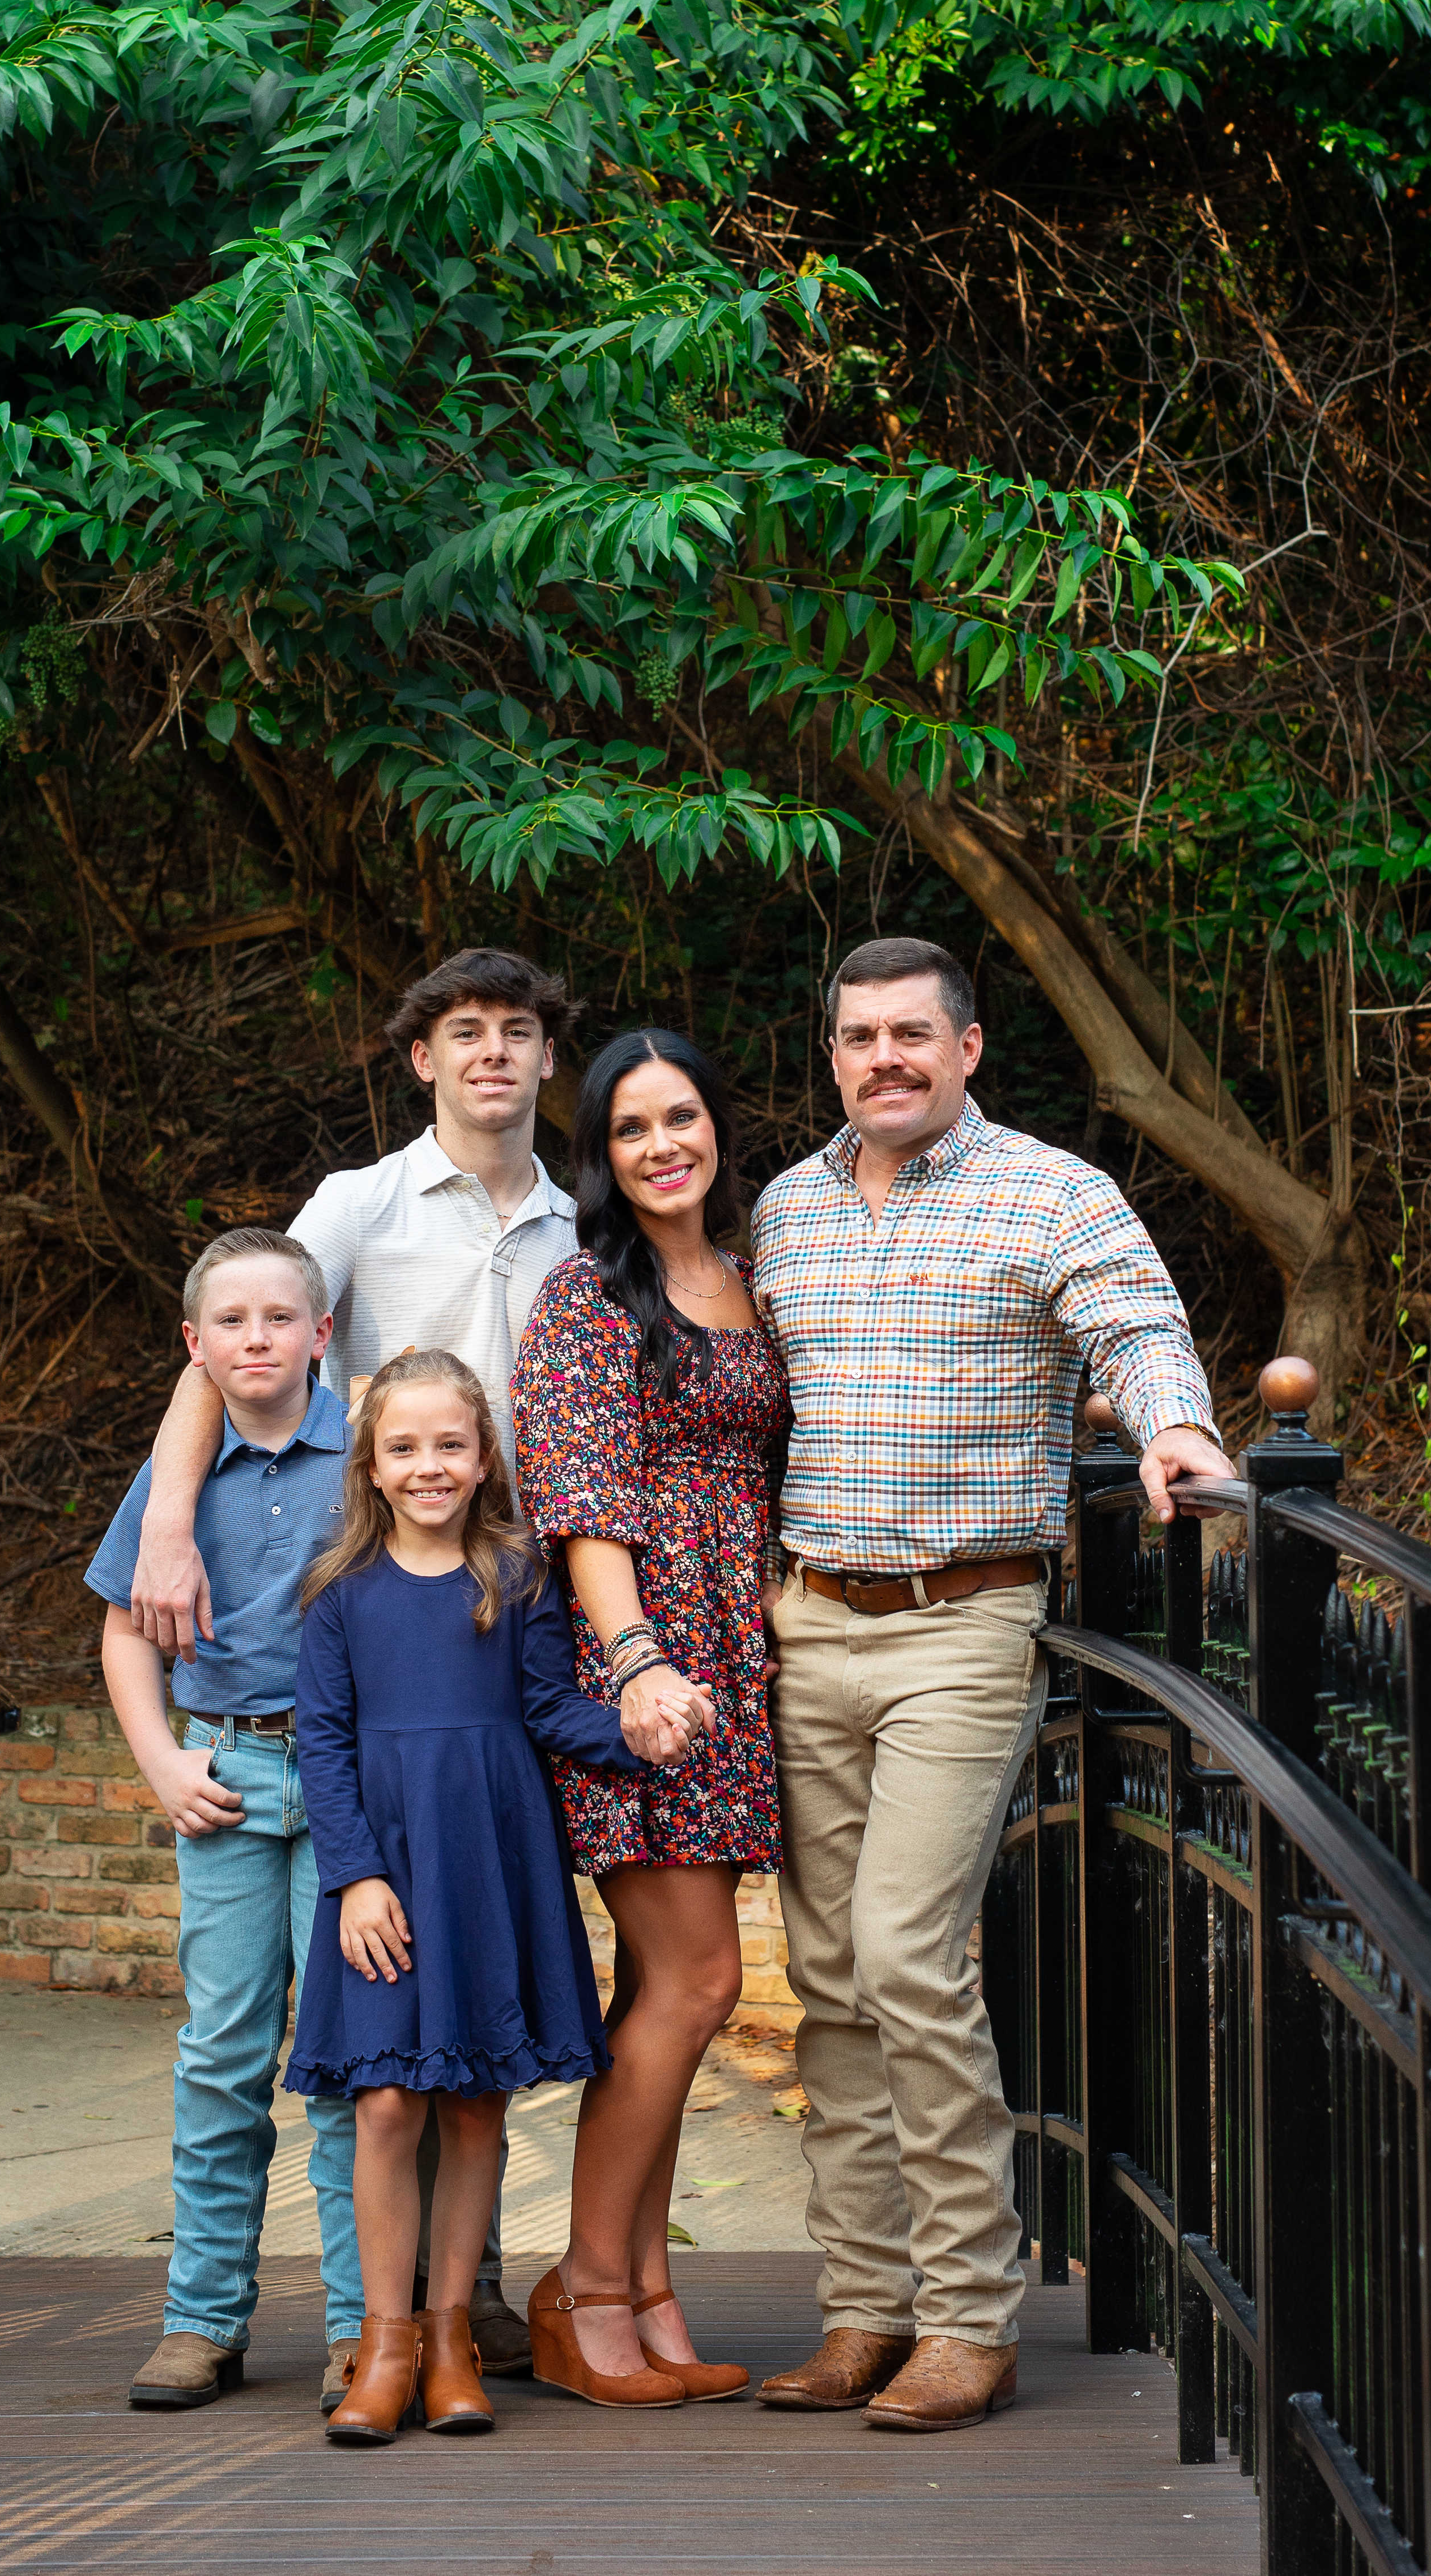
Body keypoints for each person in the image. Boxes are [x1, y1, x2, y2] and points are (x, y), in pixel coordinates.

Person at [750, 935, 1226, 2433]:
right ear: (831, 1052)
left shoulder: (1049, 1190)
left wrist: (1171, 1426)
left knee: (903, 1947)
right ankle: (861, 2302)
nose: (881, 1057)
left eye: (909, 1034)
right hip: (804, 1617)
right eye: (856, 1036)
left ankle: (969, 2311)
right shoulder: (784, 1205)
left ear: (966, 1048)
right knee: (823, 1975)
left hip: (962, 1621)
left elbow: (1136, 1325)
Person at [126, 948, 579, 2381]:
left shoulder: (587, 1221)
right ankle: (303, 2316)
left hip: (500, 1626)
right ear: (423, 1058)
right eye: (465, 1033)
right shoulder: (357, 1212)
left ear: (548, 1059)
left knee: (453, 2011)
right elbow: (234, 1348)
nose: (493, 1054)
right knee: (291, 2043)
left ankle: (443, 2305)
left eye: (518, 1033)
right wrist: (172, 1525)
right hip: (363, 1647)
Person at [287, 1349, 666, 2441]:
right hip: (387, 1877)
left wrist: (642, 1731)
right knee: (387, 2103)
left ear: (484, 1454)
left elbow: (551, 1710)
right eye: (403, 1447)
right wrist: (354, 1875)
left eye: (450, 1444)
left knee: (472, 2105)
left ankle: (454, 2342)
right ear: (370, 1461)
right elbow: (322, 1744)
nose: (429, 1465)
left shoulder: (518, 1576)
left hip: (491, 1863)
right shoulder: (340, 1597)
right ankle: (383, 2343)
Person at [510, 1029, 789, 2407]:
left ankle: (640, 2286)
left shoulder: (742, 1280)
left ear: (715, 1127)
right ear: (602, 1156)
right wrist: (635, 1669)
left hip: (739, 1655)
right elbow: (580, 1505)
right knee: (693, 1986)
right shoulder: (586, 1295)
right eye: (632, 1129)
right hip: (657, 1668)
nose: (663, 1145)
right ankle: (587, 2293)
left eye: (683, 1116)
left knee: (667, 1999)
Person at [87, 1225, 361, 2413]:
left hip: (351, 1791)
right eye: (232, 1323)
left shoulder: (364, 1456)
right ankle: (203, 2318)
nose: (259, 1338)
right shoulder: (172, 1487)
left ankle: (364, 2323)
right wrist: (161, 1762)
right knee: (223, 2055)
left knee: (350, 2064)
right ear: (195, 1347)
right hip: (226, 1784)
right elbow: (122, 1635)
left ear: (322, 1333)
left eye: (280, 1318)